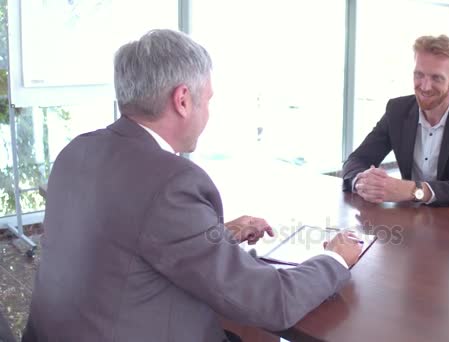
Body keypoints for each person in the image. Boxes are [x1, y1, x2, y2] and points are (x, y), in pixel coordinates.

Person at [22, 29, 362, 342]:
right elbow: (269, 302)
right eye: (208, 99)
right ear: (183, 99)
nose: (209, 112)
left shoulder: (77, 150)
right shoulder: (170, 181)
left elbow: (125, 241)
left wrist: (216, 235)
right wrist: (334, 258)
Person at [342, 35, 449, 207]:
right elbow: (357, 159)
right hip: (410, 218)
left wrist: (415, 191)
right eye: (419, 75)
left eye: (436, 78)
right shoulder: (397, 109)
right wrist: (362, 182)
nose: (425, 86)